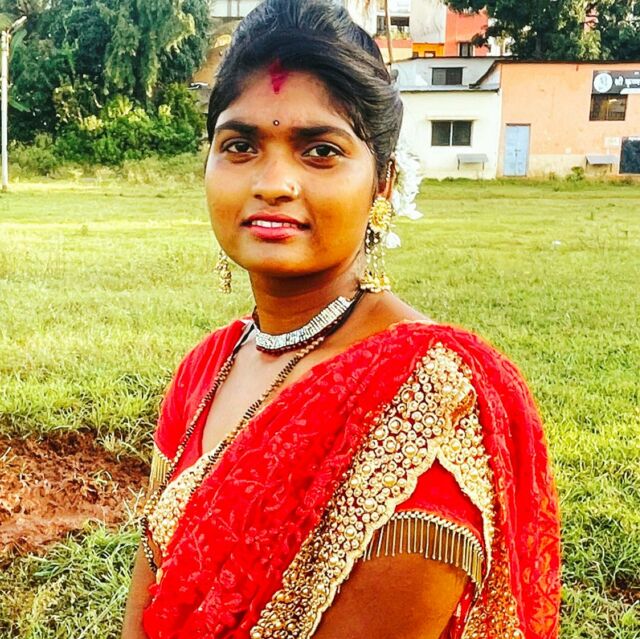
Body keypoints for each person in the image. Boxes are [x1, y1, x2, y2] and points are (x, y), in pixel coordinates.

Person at [121, 0, 561, 637]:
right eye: (240, 145)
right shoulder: (207, 368)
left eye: (320, 151)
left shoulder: (430, 394)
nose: (274, 183)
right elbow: (147, 596)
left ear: (382, 182)